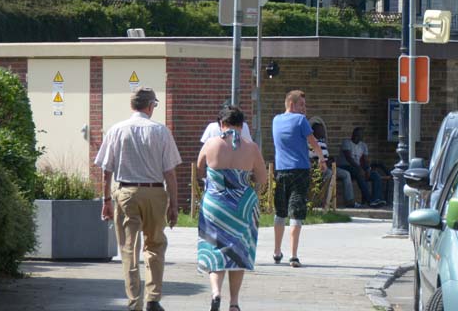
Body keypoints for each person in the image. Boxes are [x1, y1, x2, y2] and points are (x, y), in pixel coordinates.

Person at [95, 86, 182, 311]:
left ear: (132, 105)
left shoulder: (116, 130)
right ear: (151, 106)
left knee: (129, 248)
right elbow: (170, 173)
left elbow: (106, 170)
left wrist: (106, 200)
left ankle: (134, 301)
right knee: (155, 245)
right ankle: (153, 298)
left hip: (126, 192)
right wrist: (174, 204)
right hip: (155, 192)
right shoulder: (161, 131)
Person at [197, 105, 268, 311]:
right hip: (242, 205)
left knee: (215, 248)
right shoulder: (251, 147)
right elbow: (262, 179)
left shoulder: (211, 143)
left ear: (221, 124)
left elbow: (200, 170)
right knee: (238, 252)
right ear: (242, 125)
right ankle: (234, 303)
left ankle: (216, 292)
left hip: (215, 203)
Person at [272, 90, 325, 268]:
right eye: (301, 105)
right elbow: (313, 142)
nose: (304, 109)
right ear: (291, 104)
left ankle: (277, 251)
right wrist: (321, 159)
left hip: (281, 171)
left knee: (280, 211)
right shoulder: (301, 120)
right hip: (300, 171)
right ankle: (293, 256)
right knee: (296, 211)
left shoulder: (276, 120)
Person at [340, 127, 386, 207]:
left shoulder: (363, 145)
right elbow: (349, 159)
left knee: (375, 175)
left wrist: (368, 169)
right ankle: (370, 200)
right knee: (359, 174)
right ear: (354, 134)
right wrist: (360, 169)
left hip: (357, 168)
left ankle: (376, 199)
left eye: (362, 135)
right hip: (345, 166)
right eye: (360, 134)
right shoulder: (346, 142)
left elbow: (366, 160)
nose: (362, 136)